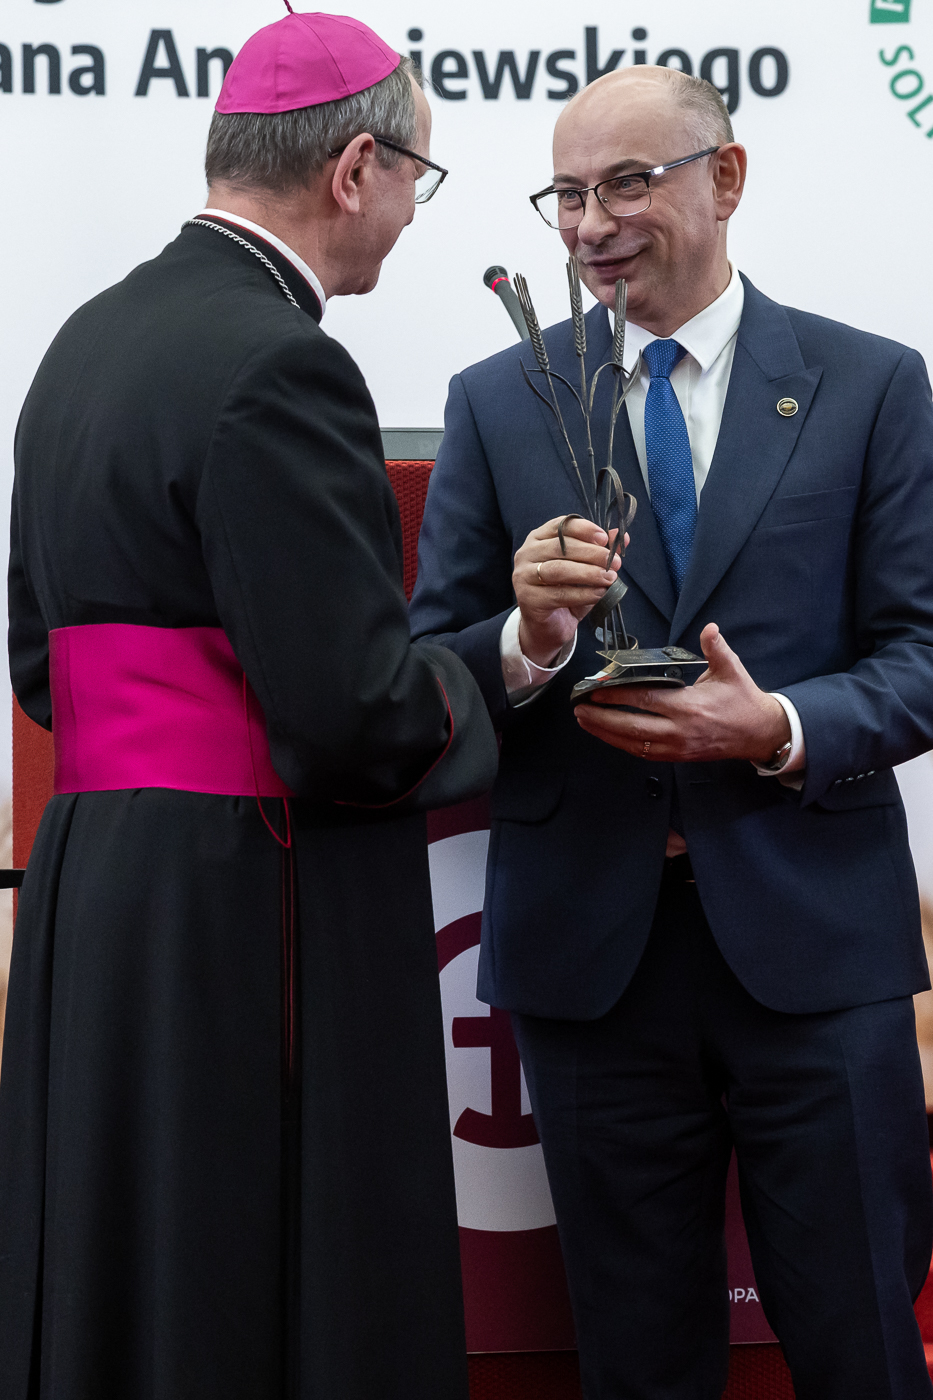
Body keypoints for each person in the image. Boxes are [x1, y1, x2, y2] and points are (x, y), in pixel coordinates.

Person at [410, 64, 933, 1399]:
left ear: (727, 178)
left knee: (864, 1344)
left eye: (626, 184)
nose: (590, 225)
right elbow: (428, 673)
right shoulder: (500, 398)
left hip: (816, 950)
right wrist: (526, 636)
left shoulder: (870, 385)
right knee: (638, 1362)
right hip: (593, 961)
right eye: (567, 195)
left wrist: (779, 725)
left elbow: (922, 653)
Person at [0, 10, 497, 1400]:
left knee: (120, 1258)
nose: (411, 212)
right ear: (355, 168)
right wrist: (499, 672)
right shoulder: (283, 362)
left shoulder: (82, 341)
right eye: (416, 176)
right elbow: (353, 717)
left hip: (98, 885)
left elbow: (43, 670)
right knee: (253, 1279)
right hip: (247, 901)